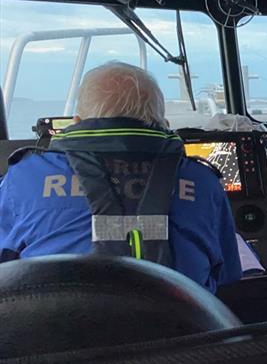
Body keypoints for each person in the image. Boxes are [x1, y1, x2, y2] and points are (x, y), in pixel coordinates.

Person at [0, 61, 242, 292]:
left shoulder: (24, 178)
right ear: (165, 124)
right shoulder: (203, 181)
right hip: (186, 330)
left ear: (76, 122)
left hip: (55, 330)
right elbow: (228, 277)